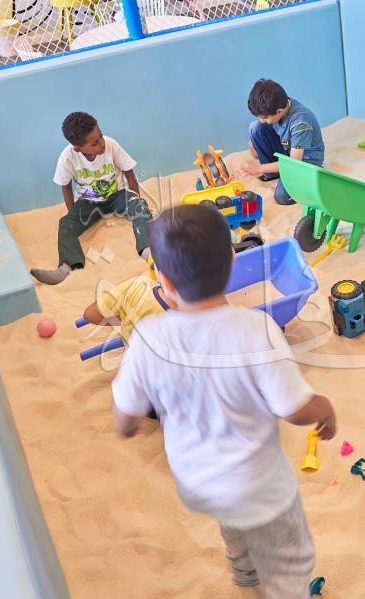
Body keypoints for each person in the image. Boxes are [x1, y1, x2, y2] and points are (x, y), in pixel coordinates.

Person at [111, 203, 336, 597]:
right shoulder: (255, 328)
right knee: (288, 554)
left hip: (201, 482)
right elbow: (294, 408)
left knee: (235, 528)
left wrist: (133, 422)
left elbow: (124, 419)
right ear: (233, 260)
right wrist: (324, 408)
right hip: (260, 486)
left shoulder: (147, 338)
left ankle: (246, 579)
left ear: (163, 279)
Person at [30, 112, 152, 285]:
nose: (101, 143)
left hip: (117, 194)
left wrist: (135, 199)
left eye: (100, 135)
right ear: (78, 148)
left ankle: (148, 250)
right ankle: (64, 267)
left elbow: (129, 173)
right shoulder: (68, 157)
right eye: (94, 143)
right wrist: (73, 214)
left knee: (140, 206)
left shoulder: (110, 145)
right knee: (65, 224)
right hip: (89, 200)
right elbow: (65, 186)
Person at [238, 79, 325, 205]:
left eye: (264, 117)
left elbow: (294, 163)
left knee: (281, 197)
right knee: (255, 128)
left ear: (279, 111)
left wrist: (258, 168)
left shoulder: (300, 122)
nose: (261, 120)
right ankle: (272, 173)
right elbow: (263, 127)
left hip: (304, 161)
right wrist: (255, 142)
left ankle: (310, 180)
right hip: (288, 148)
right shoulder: (280, 104)